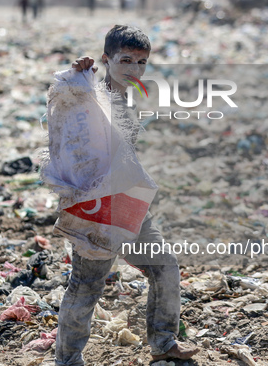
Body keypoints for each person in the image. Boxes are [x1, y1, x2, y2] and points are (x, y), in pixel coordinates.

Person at [53, 25, 200, 365]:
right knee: (87, 284)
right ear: (107, 59)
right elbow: (64, 106)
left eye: (142, 62)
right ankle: (67, 359)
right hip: (96, 204)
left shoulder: (128, 97)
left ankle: (164, 341)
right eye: (126, 60)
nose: (134, 69)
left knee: (165, 267)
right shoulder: (89, 93)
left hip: (130, 202)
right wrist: (76, 75)